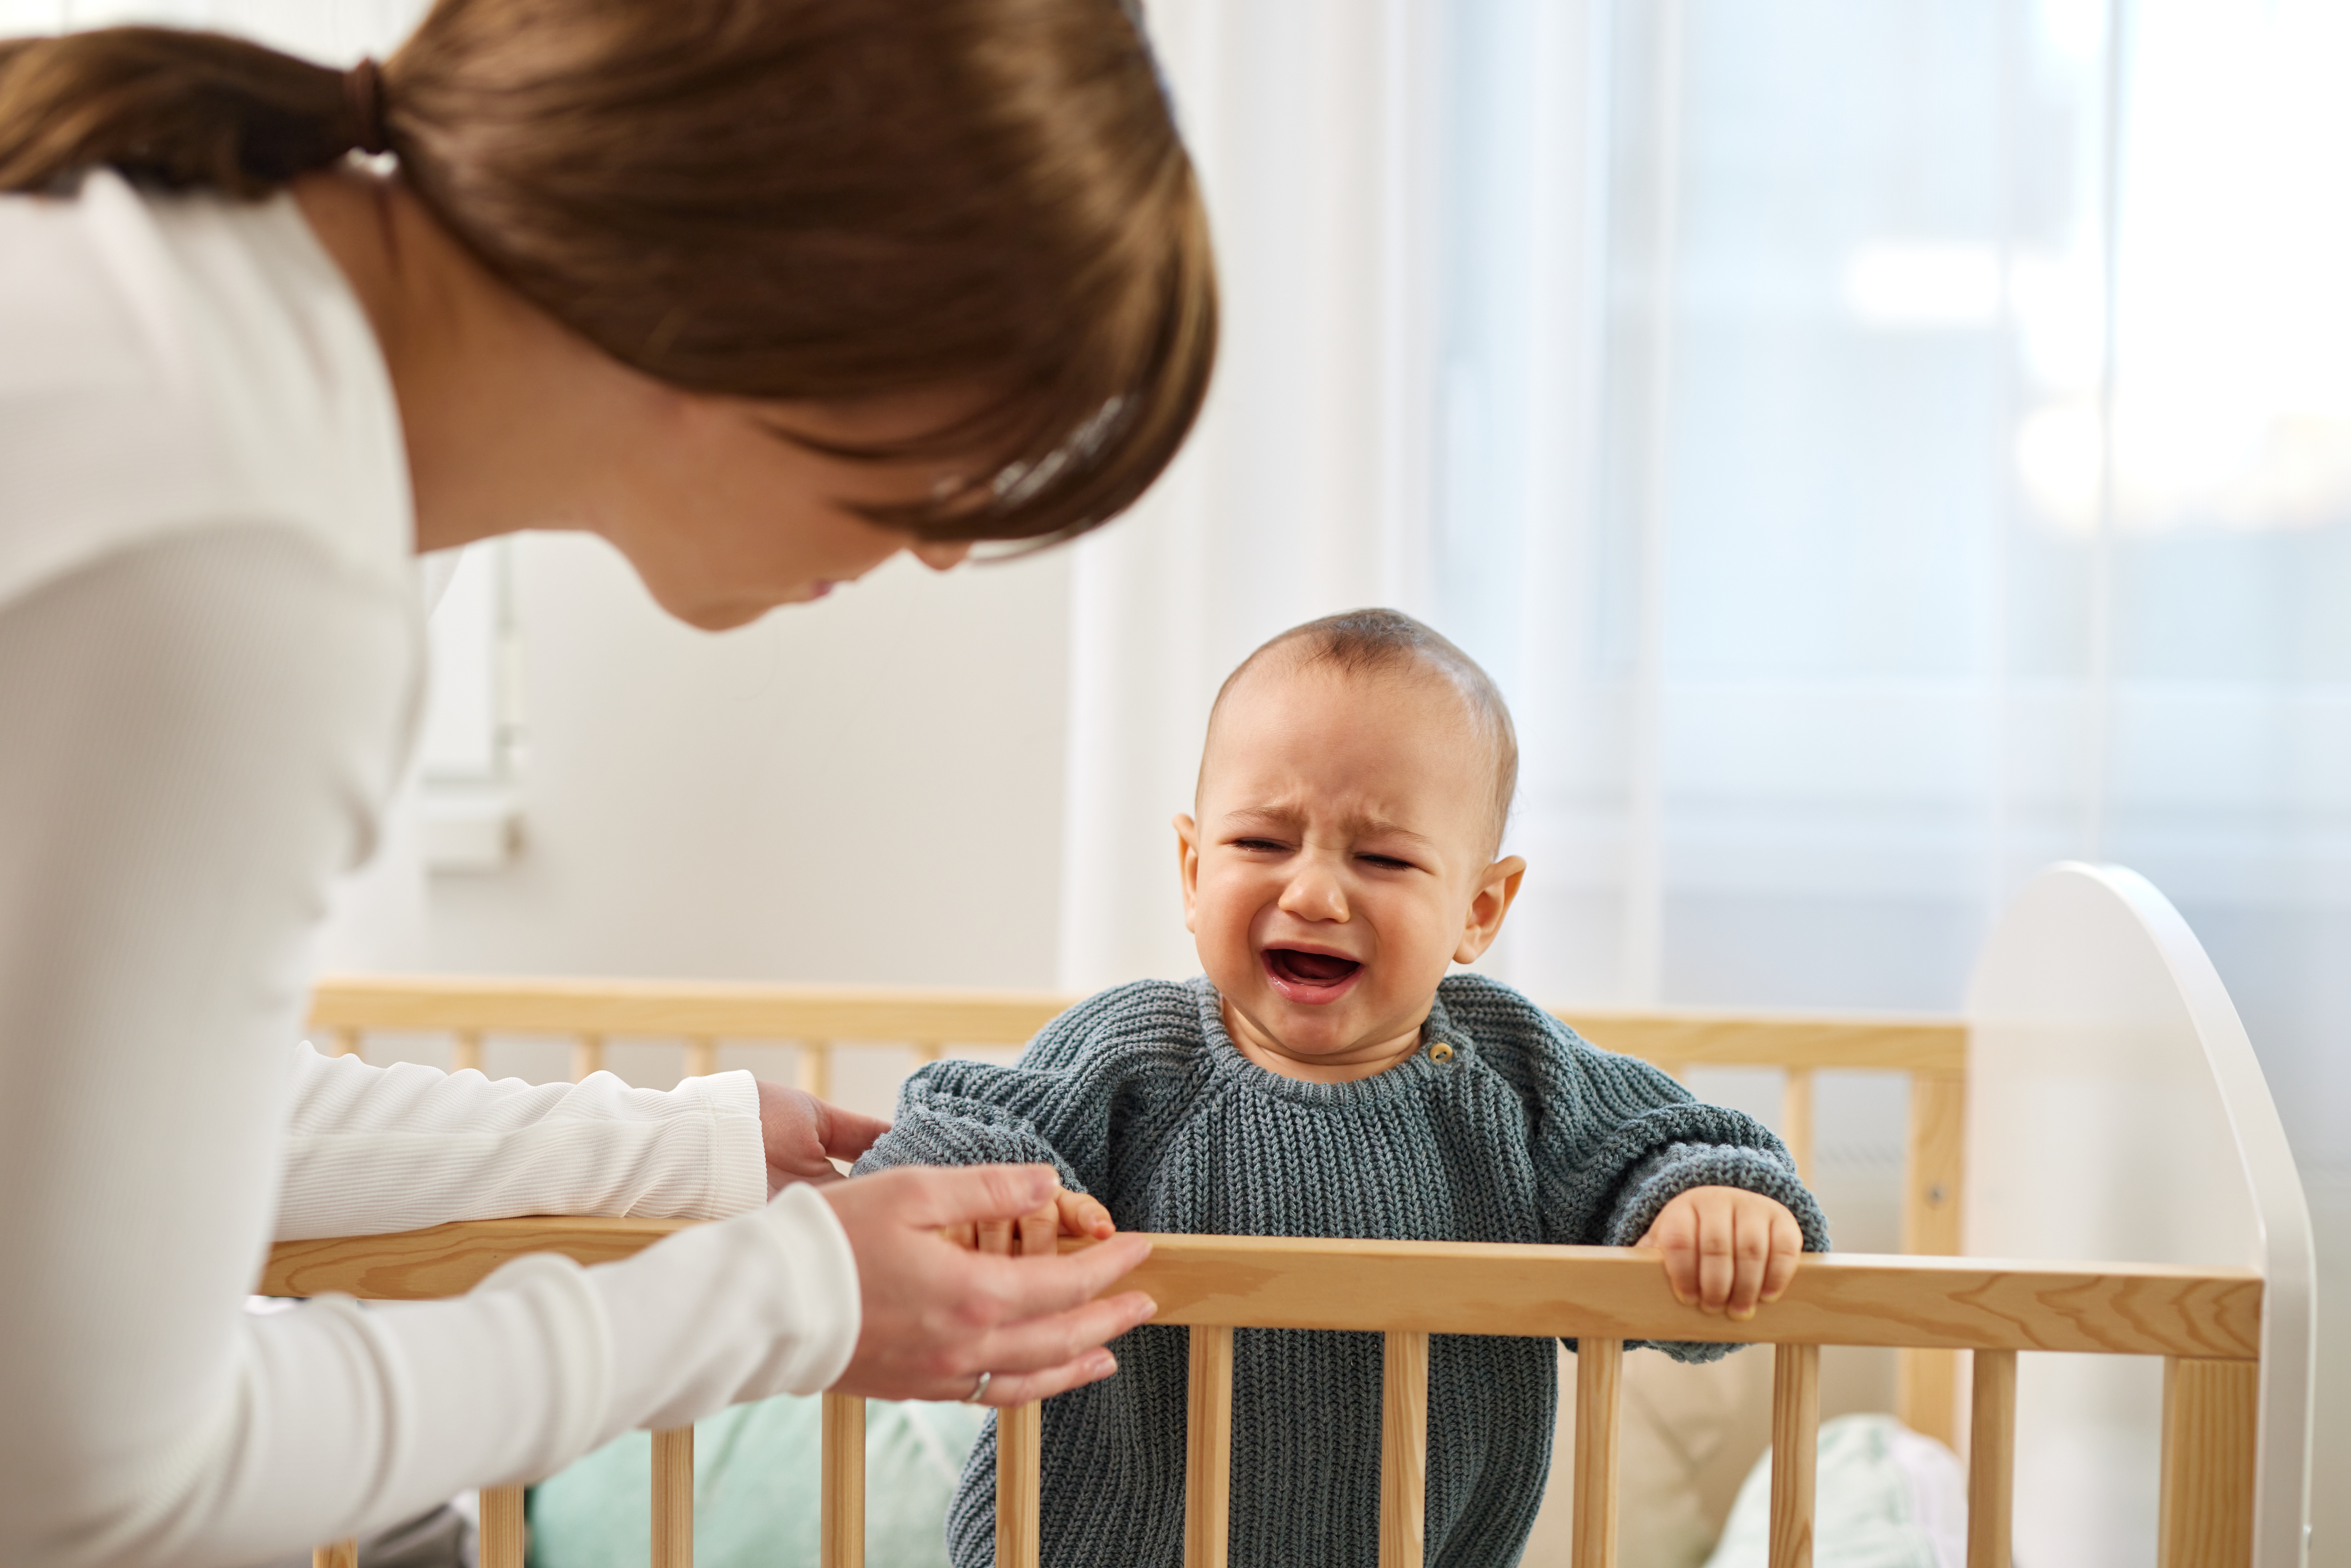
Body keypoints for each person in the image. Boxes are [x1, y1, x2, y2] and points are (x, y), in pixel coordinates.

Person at [0, 4, 1215, 1565]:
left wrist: (682, 1148)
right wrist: (788, 1299)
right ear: (772, 292)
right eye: (961, 453)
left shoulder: (210, 318)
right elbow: (92, 1475)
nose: (945, 545)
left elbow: (122, 1133)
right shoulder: (253, 552)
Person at [854, 609, 1830, 1568]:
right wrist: (993, 1211)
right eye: (1263, 844)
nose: (1315, 894)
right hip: (1094, 1549)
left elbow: (1669, 1144)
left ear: (1478, 909)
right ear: (1193, 870)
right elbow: (969, 1125)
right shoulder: (1133, 1054)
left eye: (1383, 858)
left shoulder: (1518, 1072)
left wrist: (1706, 1207)